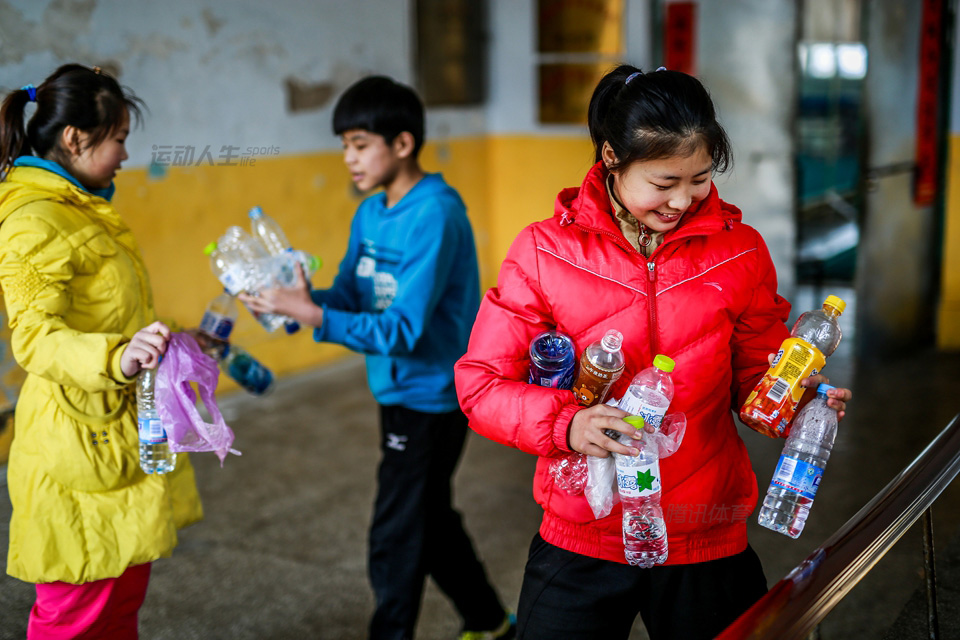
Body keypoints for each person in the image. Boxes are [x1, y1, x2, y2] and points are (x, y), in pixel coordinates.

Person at [452, 65, 854, 640]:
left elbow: (755, 373)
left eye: (699, 179)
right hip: (586, 531)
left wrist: (797, 398)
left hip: (703, 530)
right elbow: (482, 384)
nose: (683, 200)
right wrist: (568, 424)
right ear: (612, 158)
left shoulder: (739, 253)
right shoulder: (544, 252)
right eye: (664, 183)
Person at [239, 75, 514, 640]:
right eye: (344, 145)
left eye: (360, 144)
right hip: (396, 391)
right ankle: (490, 623)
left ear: (404, 143)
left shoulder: (435, 214)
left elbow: (404, 328)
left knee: (396, 532)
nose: (349, 158)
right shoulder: (370, 215)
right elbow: (347, 294)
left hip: (433, 395)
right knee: (429, 519)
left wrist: (317, 316)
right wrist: (297, 298)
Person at [0, 64, 203, 639]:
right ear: (75, 138)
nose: (124, 155)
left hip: (113, 433)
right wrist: (117, 358)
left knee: (117, 603)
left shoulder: (83, 207)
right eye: (118, 139)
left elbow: (114, 314)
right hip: (74, 444)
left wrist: (171, 343)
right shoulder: (35, 220)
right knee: (75, 612)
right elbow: (37, 337)